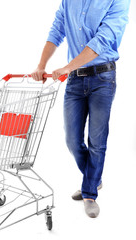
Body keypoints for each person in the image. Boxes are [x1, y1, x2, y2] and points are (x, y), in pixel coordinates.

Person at [31, 0, 130, 218]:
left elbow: (101, 41)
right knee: (72, 140)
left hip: (103, 79)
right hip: (75, 81)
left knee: (96, 140)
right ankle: (94, 178)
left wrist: (67, 67)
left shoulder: (118, 1)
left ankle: (89, 193)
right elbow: (57, 31)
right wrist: (41, 66)